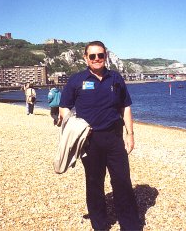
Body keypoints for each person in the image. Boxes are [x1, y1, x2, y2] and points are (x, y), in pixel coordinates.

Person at [59, 41, 141, 230]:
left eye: (100, 55)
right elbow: (64, 107)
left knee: (122, 181)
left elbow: (125, 106)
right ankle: (100, 225)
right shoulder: (76, 80)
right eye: (93, 56)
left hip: (114, 138)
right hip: (89, 141)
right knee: (95, 183)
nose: (97, 59)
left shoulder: (116, 78)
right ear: (85, 58)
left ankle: (130, 225)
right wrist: (73, 125)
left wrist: (130, 134)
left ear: (105, 56)